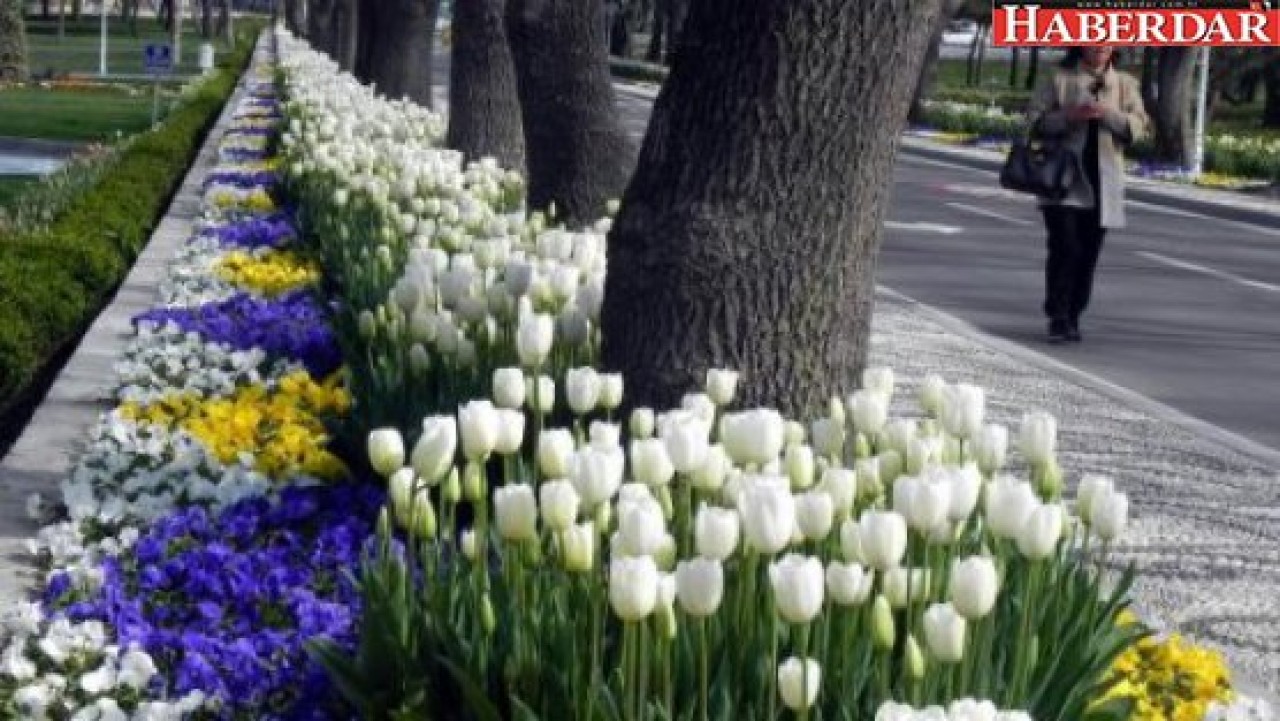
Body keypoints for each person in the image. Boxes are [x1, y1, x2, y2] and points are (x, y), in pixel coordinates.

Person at [1026, 47, 1150, 343]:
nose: (1100, 47)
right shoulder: (1059, 79)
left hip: (1103, 181)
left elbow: (1138, 126)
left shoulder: (1124, 84)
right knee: (1065, 247)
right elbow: (1033, 122)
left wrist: (1108, 114)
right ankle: (1058, 315)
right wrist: (1069, 116)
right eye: (1094, 40)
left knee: (1088, 253)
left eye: (1106, 42)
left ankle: (1073, 314)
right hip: (1063, 179)